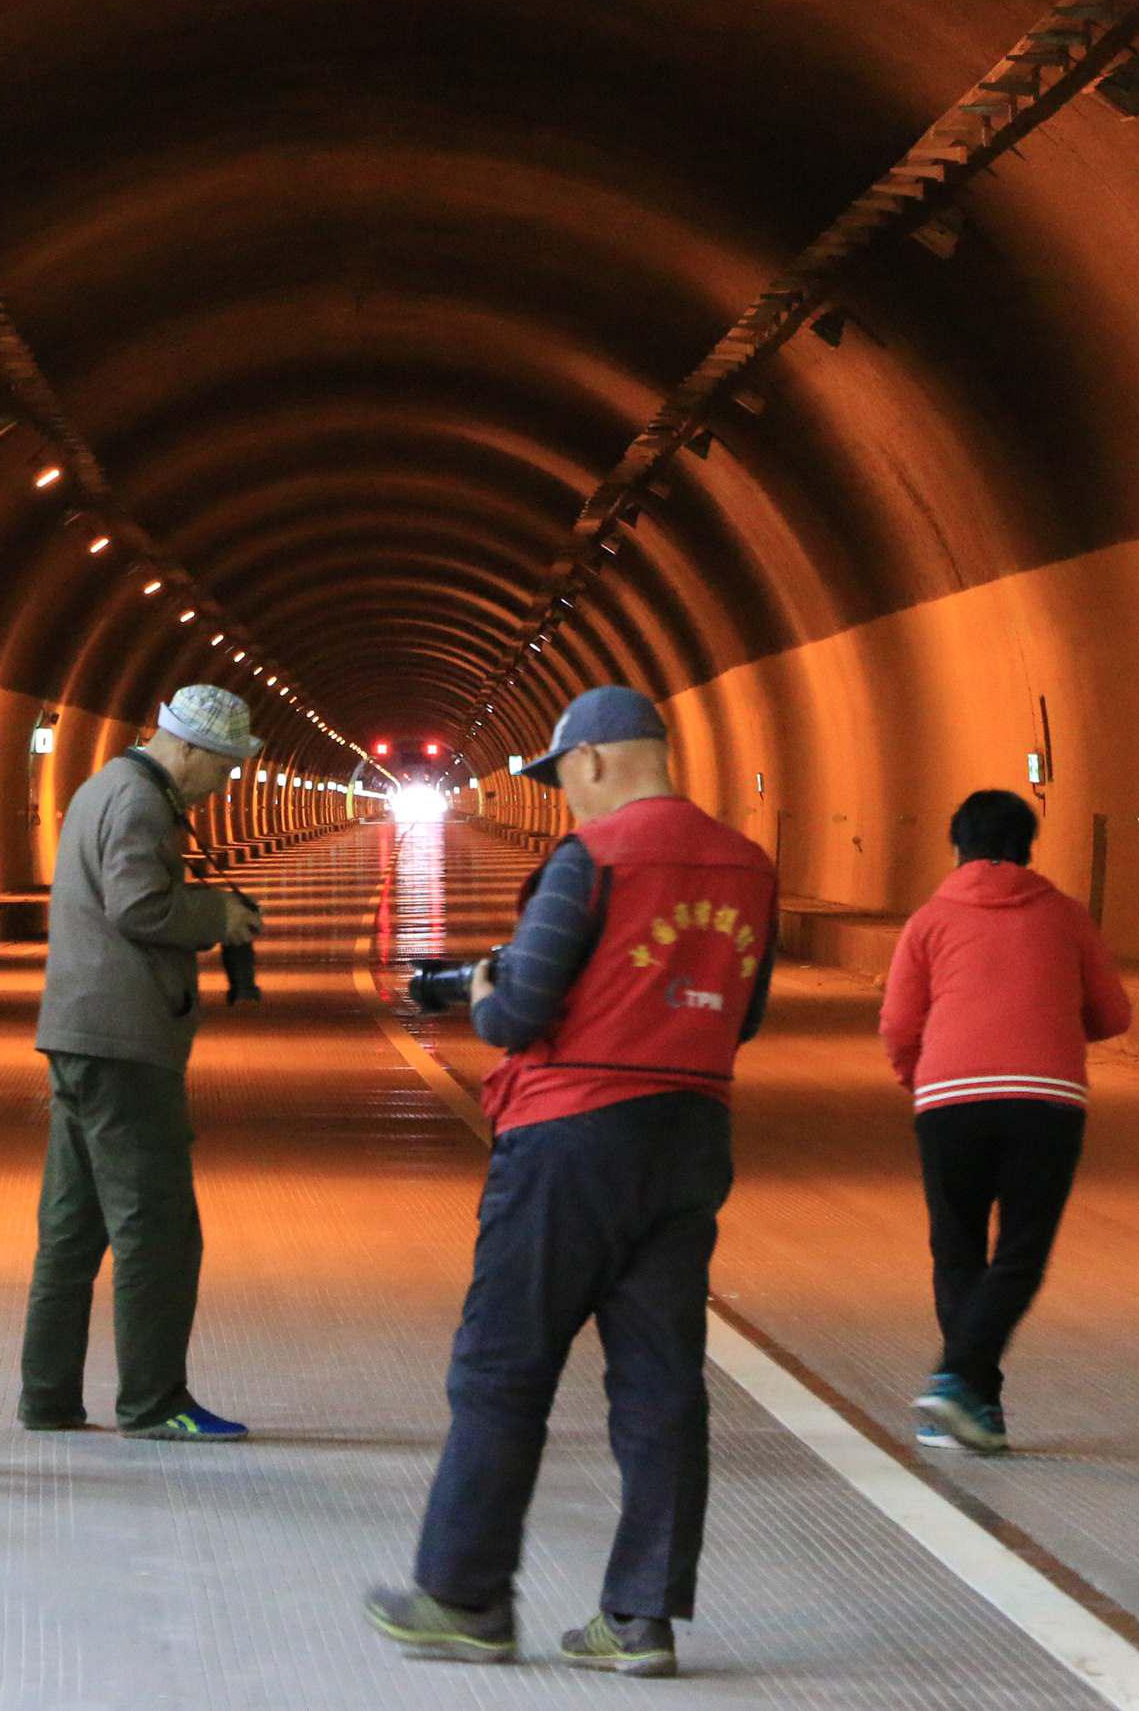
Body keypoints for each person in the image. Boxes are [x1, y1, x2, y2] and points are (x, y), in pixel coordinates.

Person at [366, 686, 775, 1680]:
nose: (566, 797)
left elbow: (517, 1017)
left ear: (592, 760)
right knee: (661, 1384)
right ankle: (639, 1617)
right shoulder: (748, 866)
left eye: (564, 778)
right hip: (690, 1135)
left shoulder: (590, 859)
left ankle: (464, 1598)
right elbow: (747, 1010)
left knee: (502, 1367)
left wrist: (481, 989)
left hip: (569, 1139)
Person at [18, 683, 265, 1442]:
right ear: (186, 747)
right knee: (158, 1228)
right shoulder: (139, 801)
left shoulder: (106, 786)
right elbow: (138, 906)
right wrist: (218, 914)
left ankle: (48, 1395)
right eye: (222, 765)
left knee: (73, 1226)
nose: (224, 781)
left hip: (81, 1033)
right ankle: (155, 1402)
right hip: (123, 1041)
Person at [876, 788, 1130, 1457]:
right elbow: (1114, 1013)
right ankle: (967, 1392)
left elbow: (898, 1024)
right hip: (1046, 1101)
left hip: (948, 1100)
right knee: (1019, 1252)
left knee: (957, 1248)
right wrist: (1049, 1024)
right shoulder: (1067, 916)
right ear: (1028, 849)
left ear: (956, 846)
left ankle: (967, 1396)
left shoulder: (928, 922)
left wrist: (918, 1079)